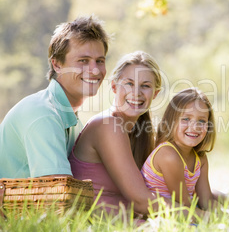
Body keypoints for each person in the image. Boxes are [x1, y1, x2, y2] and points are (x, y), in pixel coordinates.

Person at [0, 15, 109, 179]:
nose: (95, 70)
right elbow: (57, 194)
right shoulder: (43, 115)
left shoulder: (74, 123)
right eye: (83, 60)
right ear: (57, 64)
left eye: (99, 61)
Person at [141, 88, 229, 212]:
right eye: (186, 119)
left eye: (201, 121)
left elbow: (206, 200)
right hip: (175, 212)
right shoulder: (168, 155)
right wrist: (226, 216)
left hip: (190, 207)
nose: (194, 126)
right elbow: (185, 204)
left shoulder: (200, 158)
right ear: (170, 122)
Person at [69, 51, 165, 215]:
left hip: (128, 219)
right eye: (129, 83)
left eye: (146, 86)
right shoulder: (108, 126)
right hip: (98, 222)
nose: (136, 93)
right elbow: (142, 201)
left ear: (155, 93)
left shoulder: (141, 131)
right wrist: (199, 215)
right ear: (114, 86)